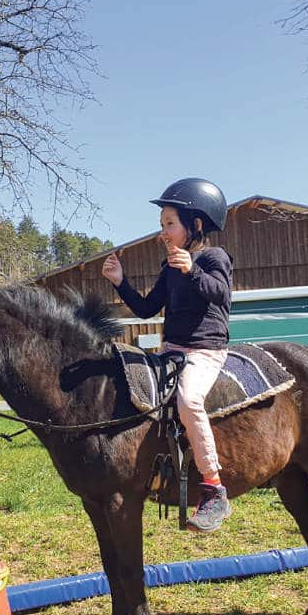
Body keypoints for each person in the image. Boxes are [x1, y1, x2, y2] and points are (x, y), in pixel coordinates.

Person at [102, 178, 234, 533]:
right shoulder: (169, 267)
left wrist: (192, 270)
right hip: (171, 350)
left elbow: (220, 295)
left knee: (189, 400)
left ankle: (214, 488)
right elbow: (146, 309)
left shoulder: (213, 258)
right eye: (161, 225)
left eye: (169, 224)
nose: (163, 232)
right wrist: (120, 282)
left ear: (196, 225)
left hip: (205, 351)